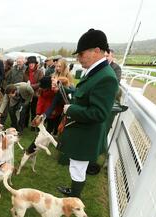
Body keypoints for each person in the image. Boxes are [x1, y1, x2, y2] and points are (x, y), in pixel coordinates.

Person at [57, 29, 119, 199]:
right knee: (76, 167)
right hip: (82, 130)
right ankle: (74, 194)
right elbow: (84, 96)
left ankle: (74, 198)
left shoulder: (106, 77)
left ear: (97, 51)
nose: (79, 58)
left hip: (86, 134)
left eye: (82, 53)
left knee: (78, 168)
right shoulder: (95, 72)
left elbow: (99, 113)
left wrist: (71, 109)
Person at [23, 56, 44, 130]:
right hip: (27, 94)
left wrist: (30, 86)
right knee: (25, 110)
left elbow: (41, 83)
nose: (31, 65)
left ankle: (33, 126)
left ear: (35, 64)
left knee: (34, 111)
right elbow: (23, 82)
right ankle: (24, 124)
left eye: (32, 63)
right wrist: (26, 86)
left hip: (36, 94)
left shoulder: (40, 72)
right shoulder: (25, 72)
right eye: (30, 63)